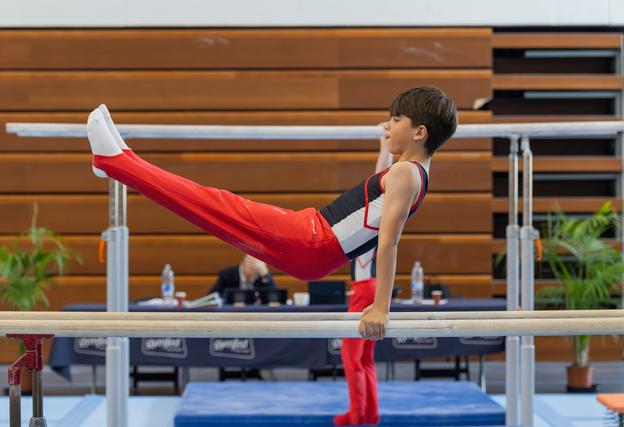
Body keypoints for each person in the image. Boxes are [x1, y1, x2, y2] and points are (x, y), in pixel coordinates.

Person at [85, 86, 458, 340]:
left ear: (420, 132)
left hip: (312, 240)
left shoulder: (407, 174)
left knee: (210, 202)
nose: (388, 125)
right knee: (209, 205)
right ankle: (121, 163)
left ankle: (115, 162)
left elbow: (389, 243)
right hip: (311, 238)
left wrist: (381, 309)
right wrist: (386, 147)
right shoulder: (410, 170)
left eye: (396, 120)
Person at [334, 137, 391, 426]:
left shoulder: (371, 225)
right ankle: (370, 413)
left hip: (363, 291)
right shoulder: (382, 226)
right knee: (365, 359)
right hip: (371, 288)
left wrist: (384, 147)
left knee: (351, 358)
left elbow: (381, 179)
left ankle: (357, 416)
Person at [210, 254, 276, 296]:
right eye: (252, 270)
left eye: (257, 272)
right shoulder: (227, 275)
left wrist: (265, 275)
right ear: (244, 265)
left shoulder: (261, 276)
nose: (255, 277)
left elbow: (274, 298)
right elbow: (213, 298)